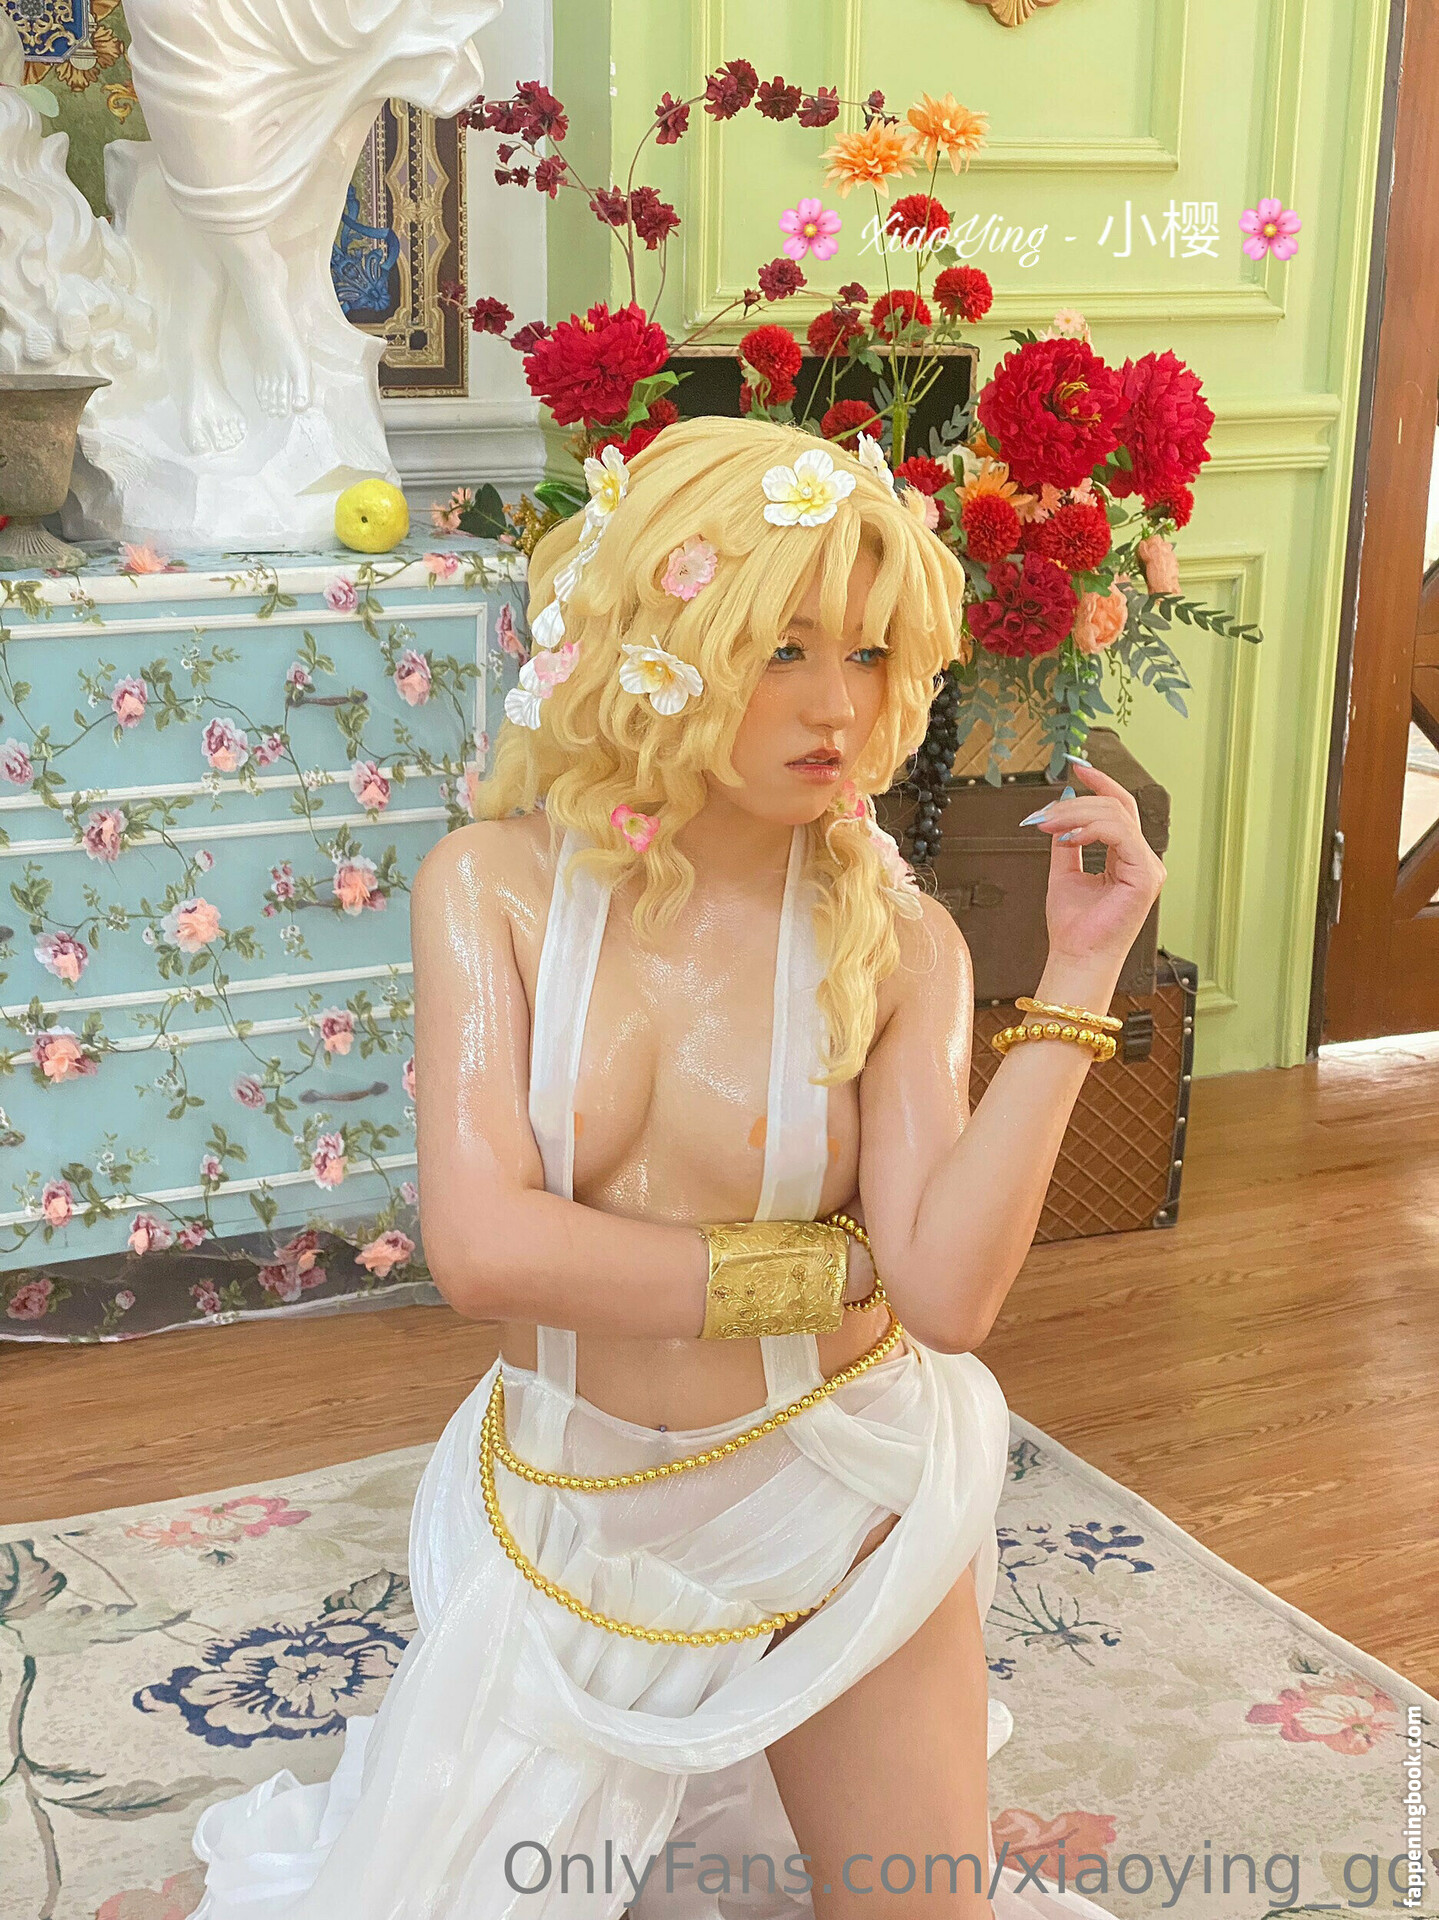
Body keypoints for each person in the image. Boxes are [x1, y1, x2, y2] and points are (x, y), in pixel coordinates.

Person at [184, 414, 1164, 1917]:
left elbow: (948, 1298)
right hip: (567, 1509)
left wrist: (1081, 975)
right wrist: (824, 1267)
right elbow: (483, 1251)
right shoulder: (493, 890)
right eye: (782, 650)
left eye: (872, 655)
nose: (837, 706)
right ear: (661, 639)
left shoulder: (903, 941)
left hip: (840, 1497)